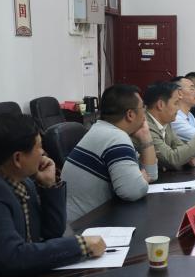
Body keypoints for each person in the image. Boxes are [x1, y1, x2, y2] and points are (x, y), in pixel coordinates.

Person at [0, 114, 105, 276]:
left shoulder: (24, 181)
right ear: (18, 158)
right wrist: (80, 246)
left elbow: (52, 232)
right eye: (39, 147)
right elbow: (11, 257)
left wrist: (49, 185)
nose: (43, 152)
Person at [63, 84, 158, 222]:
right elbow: (132, 191)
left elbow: (151, 175)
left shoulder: (101, 129)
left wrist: (145, 136)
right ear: (130, 114)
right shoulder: (116, 138)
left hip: (86, 219)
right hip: (86, 225)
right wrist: (141, 179)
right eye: (143, 107)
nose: (145, 112)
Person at [136, 81, 195, 171]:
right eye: (176, 103)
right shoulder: (144, 126)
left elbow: (180, 147)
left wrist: (186, 156)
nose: (178, 108)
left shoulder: (166, 121)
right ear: (160, 105)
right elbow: (172, 159)